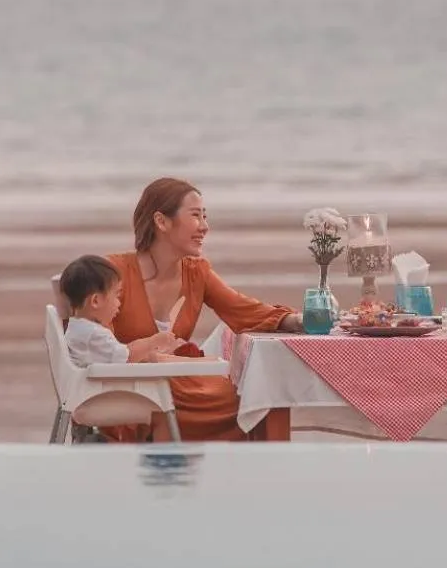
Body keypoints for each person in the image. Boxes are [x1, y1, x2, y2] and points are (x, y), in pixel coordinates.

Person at [108, 177, 302, 441]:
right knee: (255, 399)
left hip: (178, 383)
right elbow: (94, 346)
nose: (205, 227)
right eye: (195, 216)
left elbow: (244, 310)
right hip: (129, 388)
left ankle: (264, 466)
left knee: (265, 396)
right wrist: (149, 354)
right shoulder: (113, 273)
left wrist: (296, 320)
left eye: (205, 216)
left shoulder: (196, 272)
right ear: (161, 221)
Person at [58, 254, 183, 367]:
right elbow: (127, 357)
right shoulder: (93, 334)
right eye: (116, 295)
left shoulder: (79, 329)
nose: (119, 303)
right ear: (96, 301)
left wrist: (156, 353)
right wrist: (153, 341)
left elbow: (122, 355)